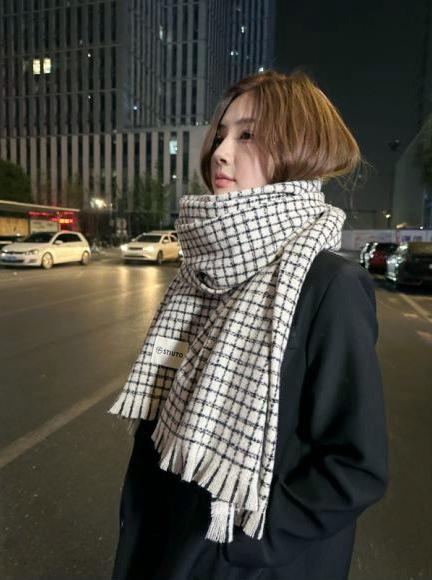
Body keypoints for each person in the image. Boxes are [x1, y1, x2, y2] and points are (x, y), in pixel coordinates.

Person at [108, 69, 388, 580]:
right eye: (221, 134)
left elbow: (354, 465)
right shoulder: (204, 268)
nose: (219, 152)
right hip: (168, 536)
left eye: (248, 135)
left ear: (300, 148)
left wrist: (243, 548)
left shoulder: (329, 284)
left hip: (243, 558)